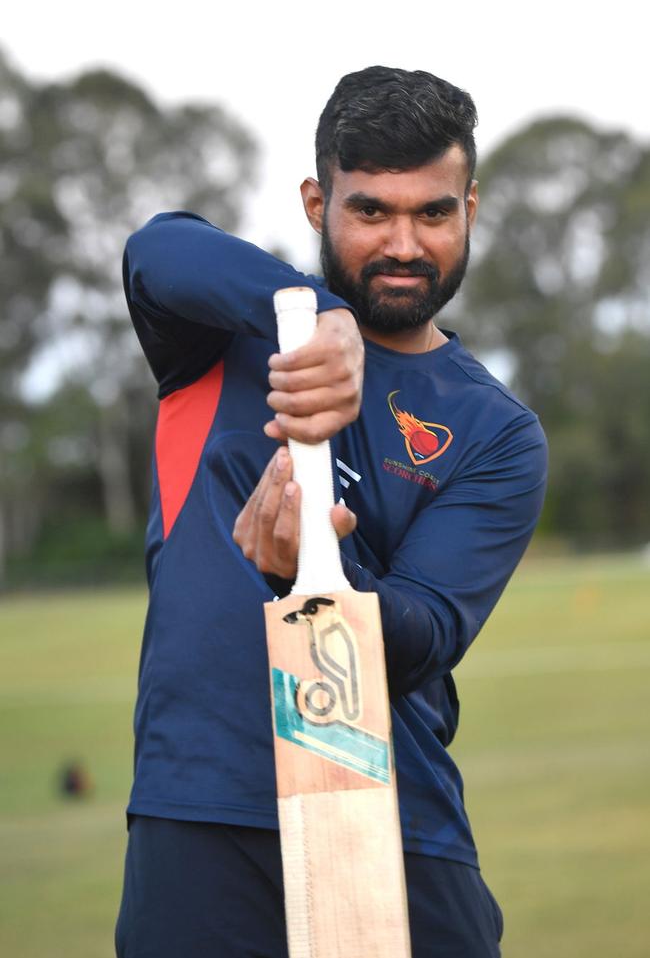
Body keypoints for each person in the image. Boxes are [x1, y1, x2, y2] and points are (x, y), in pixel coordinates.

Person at [115, 66, 547, 958]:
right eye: (370, 210)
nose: (404, 242)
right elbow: (158, 250)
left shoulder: (497, 431)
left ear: (471, 206)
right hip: (202, 804)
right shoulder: (221, 336)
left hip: (396, 813)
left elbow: (427, 629)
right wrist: (318, 316)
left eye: (433, 212)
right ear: (317, 201)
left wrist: (311, 577)